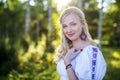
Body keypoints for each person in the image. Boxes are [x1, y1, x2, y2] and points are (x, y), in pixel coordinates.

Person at [54, 7, 106, 80]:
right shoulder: (65, 48)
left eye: (73, 24)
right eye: (65, 26)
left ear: (82, 24)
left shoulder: (91, 52)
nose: (68, 30)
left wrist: (67, 63)